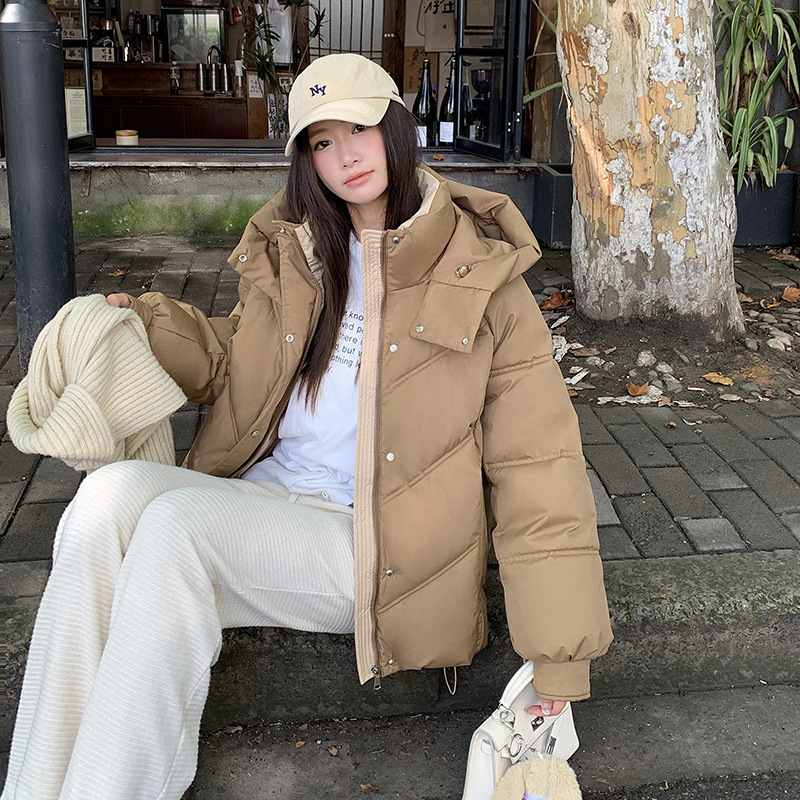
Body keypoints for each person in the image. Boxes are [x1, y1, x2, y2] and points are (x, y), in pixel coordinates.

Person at [1, 53, 612, 800]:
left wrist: (559, 659)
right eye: (323, 141)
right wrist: (150, 324)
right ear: (306, 160)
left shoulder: (484, 276)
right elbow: (238, 363)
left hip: (375, 545)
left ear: (396, 127)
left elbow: (537, 466)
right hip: (268, 498)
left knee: (173, 530)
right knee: (103, 502)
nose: (346, 155)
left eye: (360, 128)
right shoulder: (298, 249)